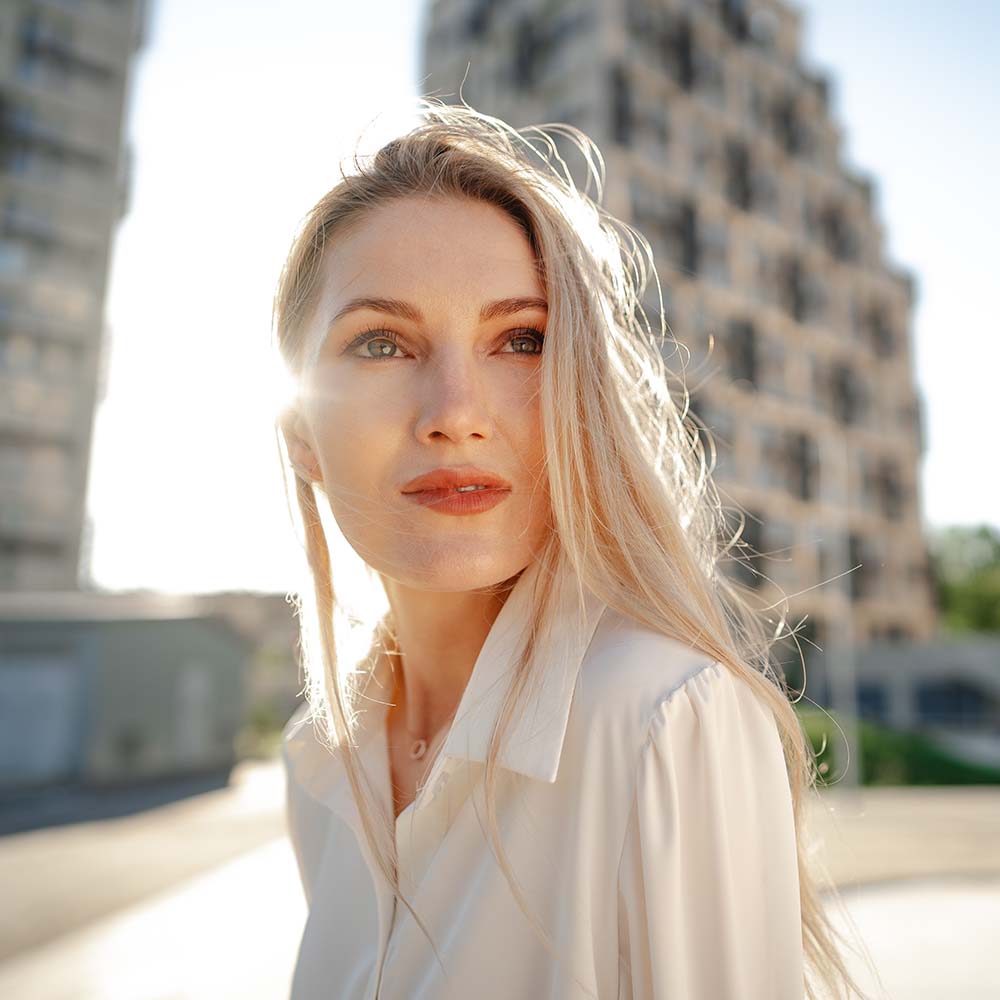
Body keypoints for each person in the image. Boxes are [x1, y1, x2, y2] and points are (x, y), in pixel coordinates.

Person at [273, 100, 863, 999]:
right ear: (302, 434)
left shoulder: (667, 720)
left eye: (521, 340)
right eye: (382, 342)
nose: (457, 414)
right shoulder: (323, 758)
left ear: (579, 396)